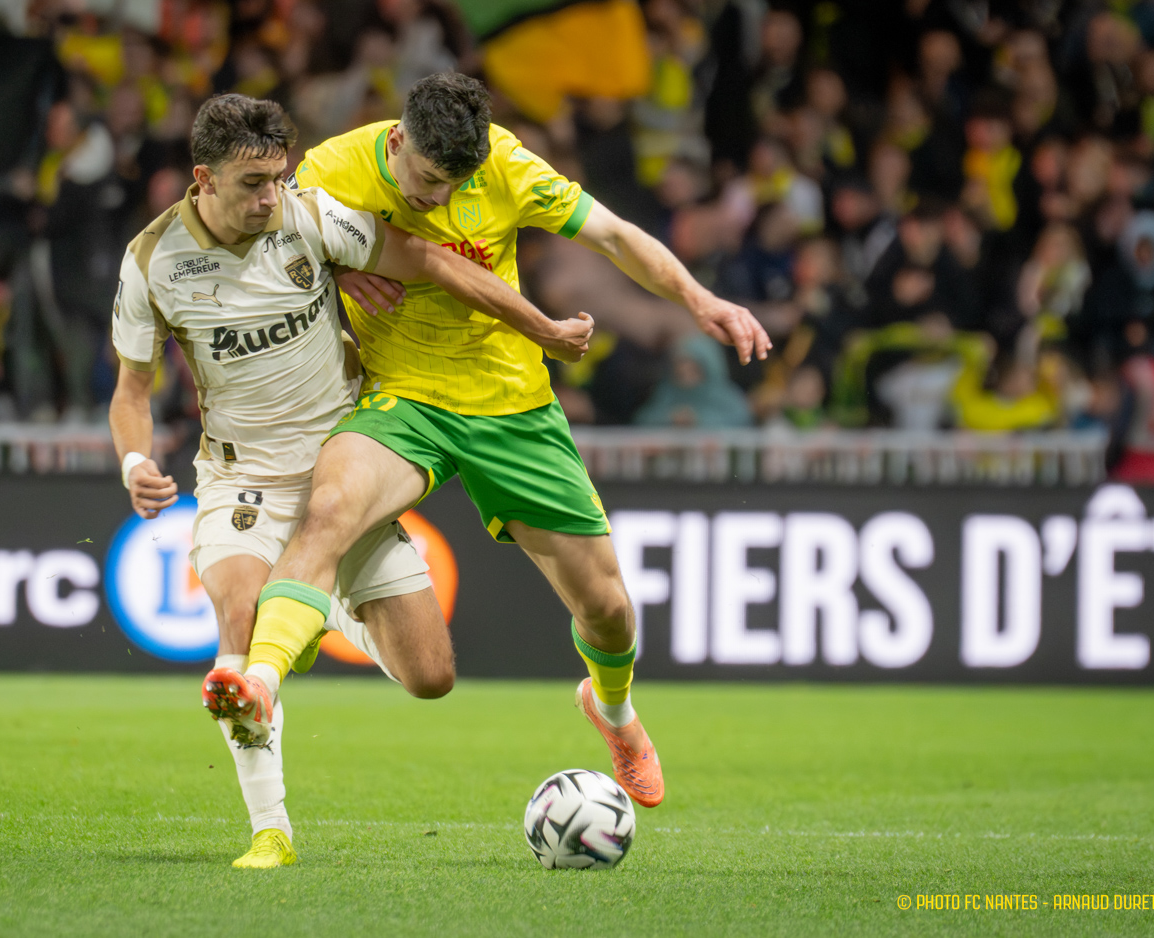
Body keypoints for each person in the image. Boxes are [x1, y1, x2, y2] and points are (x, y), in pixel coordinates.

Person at [208, 73, 770, 813]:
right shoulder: (333, 168)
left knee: (607, 609)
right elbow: (267, 246)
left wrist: (699, 298)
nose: (438, 198)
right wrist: (335, 272)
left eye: (454, 185)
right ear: (398, 140)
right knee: (330, 508)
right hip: (404, 395)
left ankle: (613, 710)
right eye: (427, 179)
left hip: (511, 406)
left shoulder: (506, 163)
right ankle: (259, 681)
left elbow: (612, 235)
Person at [107, 94, 591, 869]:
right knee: (241, 624)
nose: (270, 197)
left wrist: (542, 328)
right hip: (242, 479)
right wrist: (136, 462)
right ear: (204, 179)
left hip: (342, 470)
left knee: (431, 677)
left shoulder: (307, 217)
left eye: (278, 178)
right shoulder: (151, 262)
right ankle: (271, 829)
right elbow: (132, 392)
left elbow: (429, 260)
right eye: (252, 183)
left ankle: (312, 607)